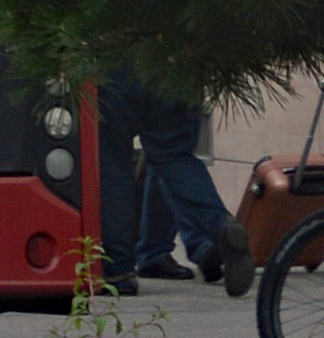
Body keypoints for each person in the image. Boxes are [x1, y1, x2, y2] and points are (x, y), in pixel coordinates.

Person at [97, 67, 239, 292]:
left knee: (113, 168)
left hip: (115, 66)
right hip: (177, 65)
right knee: (174, 159)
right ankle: (220, 226)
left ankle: (119, 272)